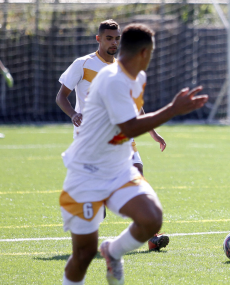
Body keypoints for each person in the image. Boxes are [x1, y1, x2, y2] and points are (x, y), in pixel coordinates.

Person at [59, 23, 208, 285]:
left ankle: (113, 251)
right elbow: (129, 127)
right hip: (86, 172)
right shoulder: (111, 79)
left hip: (118, 167)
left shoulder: (137, 78)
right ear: (144, 52)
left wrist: (159, 125)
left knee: (151, 219)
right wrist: (173, 109)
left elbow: (133, 119)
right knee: (83, 255)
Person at [56, 19, 168, 251]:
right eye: (109, 38)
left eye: (117, 38)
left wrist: (154, 133)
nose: (113, 42)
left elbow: (136, 106)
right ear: (99, 39)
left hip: (121, 136)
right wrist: (73, 114)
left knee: (138, 174)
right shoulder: (83, 64)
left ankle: (151, 235)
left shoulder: (125, 68)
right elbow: (61, 96)